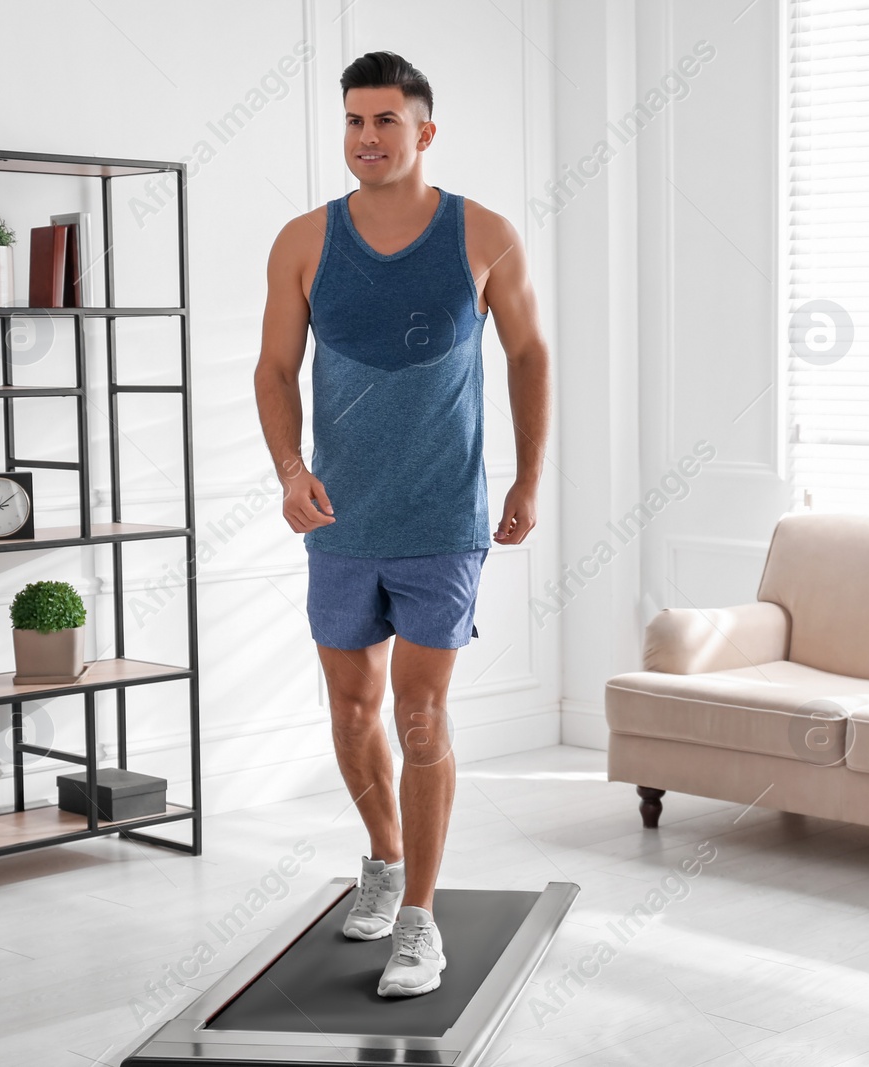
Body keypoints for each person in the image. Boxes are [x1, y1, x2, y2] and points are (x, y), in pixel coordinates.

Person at [253, 50, 550, 998]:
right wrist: (290, 472)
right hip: (339, 519)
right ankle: (383, 857)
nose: (366, 138)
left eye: (385, 121)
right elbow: (272, 369)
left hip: (442, 515)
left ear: (424, 131)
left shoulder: (486, 234)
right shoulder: (304, 240)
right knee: (352, 710)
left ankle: (419, 917)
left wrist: (528, 481)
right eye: (353, 121)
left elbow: (529, 353)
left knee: (421, 712)